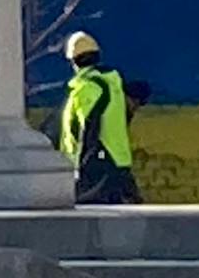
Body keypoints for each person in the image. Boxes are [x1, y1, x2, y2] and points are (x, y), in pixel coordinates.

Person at [57, 30, 142, 206]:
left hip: (97, 166)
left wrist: (82, 165)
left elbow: (88, 128)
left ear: (74, 62)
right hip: (118, 161)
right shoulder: (113, 85)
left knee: (90, 221)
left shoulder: (87, 87)